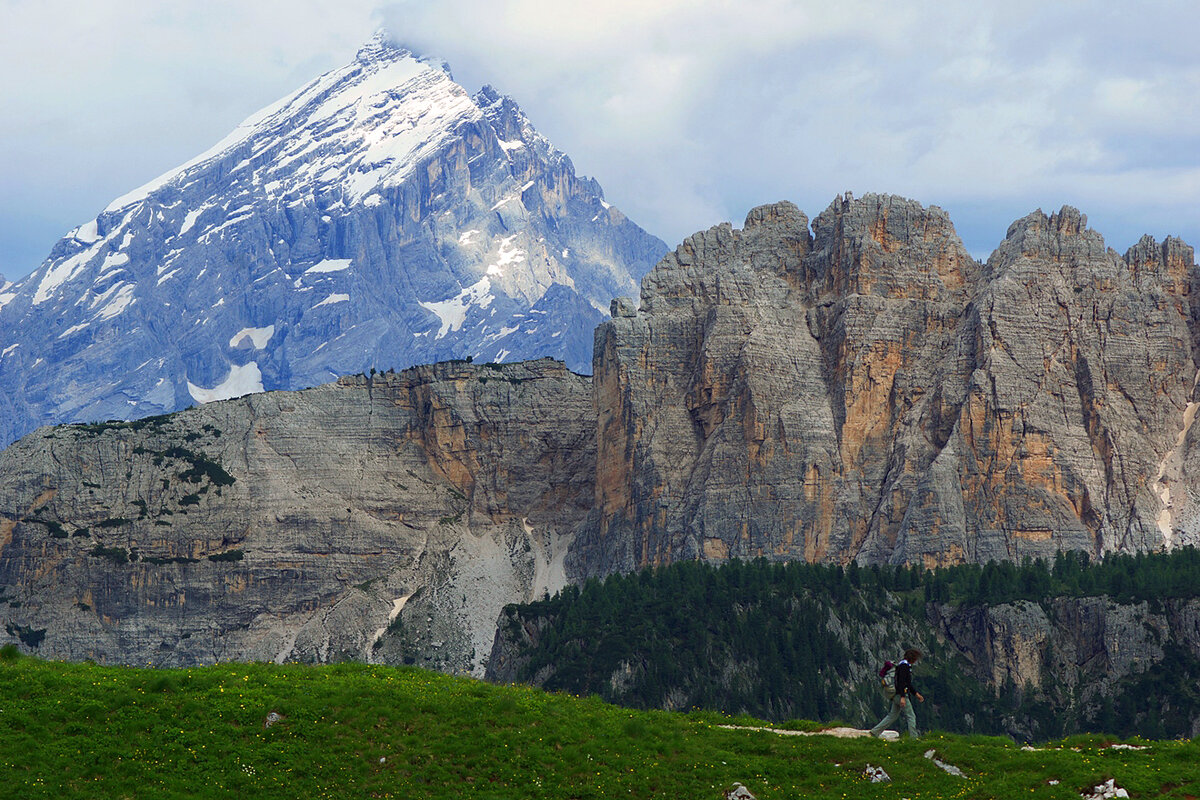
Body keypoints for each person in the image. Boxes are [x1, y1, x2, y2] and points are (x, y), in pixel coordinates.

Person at [869, 648, 924, 739]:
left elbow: (907, 683)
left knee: (892, 715)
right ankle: (913, 738)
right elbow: (902, 683)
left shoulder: (900, 665)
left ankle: (875, 732)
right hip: (901, 695)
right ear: (913, 659)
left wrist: (916, 694)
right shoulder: (904, 667)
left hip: (895, 695)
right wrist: (903, 697)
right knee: (911, 716)